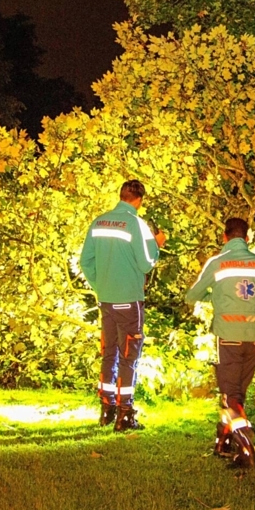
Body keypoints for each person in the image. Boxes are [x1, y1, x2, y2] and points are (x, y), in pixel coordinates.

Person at [80, 180, 167, 431]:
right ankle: (125, 414)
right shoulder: (136, 224)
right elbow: (146, 263)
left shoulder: (99, 222)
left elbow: (86, 261)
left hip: (106, 300)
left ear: (121, 196)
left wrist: (101, 286)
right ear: (139, 200)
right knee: (129, 356)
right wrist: (156, 244)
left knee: (109, 354)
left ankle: (106, 410)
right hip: (129, 300)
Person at [185, 217, 255, 467]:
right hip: (253, 337)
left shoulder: (218, 263)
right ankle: (222, 442)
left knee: (230, 397)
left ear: (225, 237)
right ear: (247, 238)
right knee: (236, 395)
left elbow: (192, 296)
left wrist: (215, 296)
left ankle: (246, 447)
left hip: (229, 336)